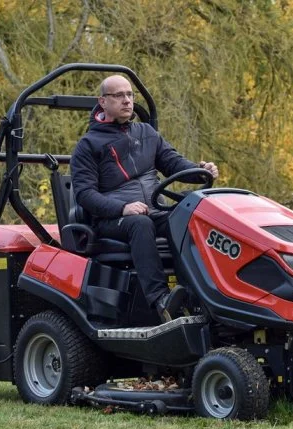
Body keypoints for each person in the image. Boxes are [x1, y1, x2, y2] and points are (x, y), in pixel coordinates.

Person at [71, 75, 219, 323]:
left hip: (153, 210)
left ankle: (203, 291)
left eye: (130, 95)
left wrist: (200, 170)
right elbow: (85, 194)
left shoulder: (147, 133)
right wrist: (123, 208)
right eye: (119, 95)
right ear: (103, 101)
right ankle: (161, 299)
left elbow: (174, 163)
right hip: (113, 219)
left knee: (191, 214)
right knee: (141, 223)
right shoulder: (88, 145)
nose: (127, 101)